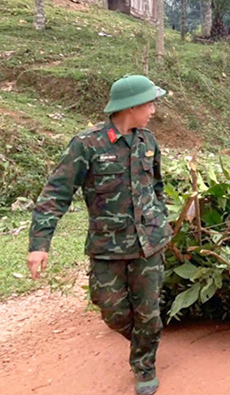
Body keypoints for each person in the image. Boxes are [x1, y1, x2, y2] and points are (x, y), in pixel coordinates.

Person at [27, 75, 170, 395]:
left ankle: (144, 365)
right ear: (131, 107)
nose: (153, 110)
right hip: (108, 245)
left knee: (148, 310)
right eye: (150, 103)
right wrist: (40, 244)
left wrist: (163, 220)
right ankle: (144, 341)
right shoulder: (87, 144)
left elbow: (157, 188)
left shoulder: (148, 141)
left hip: (149, 244)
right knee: (111, 309)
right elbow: (55, 194)